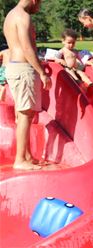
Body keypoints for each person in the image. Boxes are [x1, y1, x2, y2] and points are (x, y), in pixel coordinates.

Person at [3, 0, 52, 170]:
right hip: (23, 69)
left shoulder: (10, 15)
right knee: (25, 115)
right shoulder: (23, 16)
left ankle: (27, 155)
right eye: (39, 2)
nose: (38, 7)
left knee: (26, 114)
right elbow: (26, 47)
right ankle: (20, 160)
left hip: (14, 67)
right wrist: (42, 72)